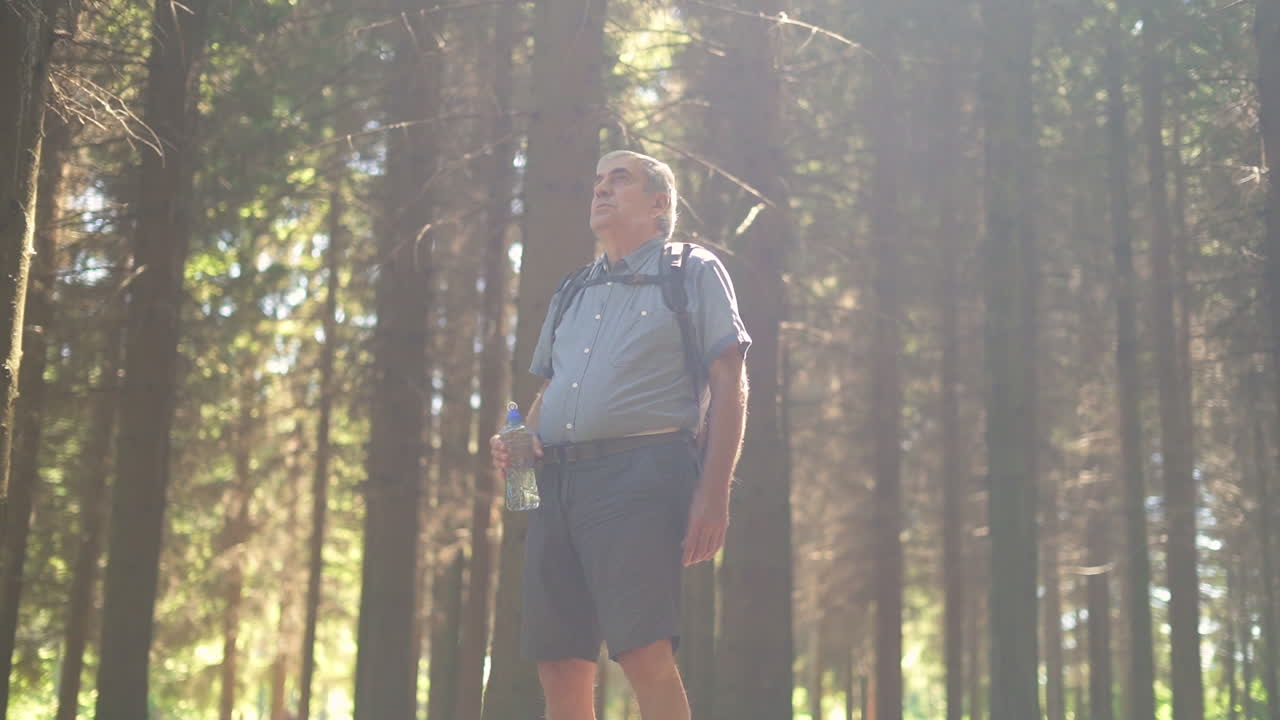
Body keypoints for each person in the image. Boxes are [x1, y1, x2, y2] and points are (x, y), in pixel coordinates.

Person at [490, 150, 750, 720]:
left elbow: (730, 380)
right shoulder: (572, 289)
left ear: (660, 205)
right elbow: (550, 388)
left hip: (642, 473)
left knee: (642, 650)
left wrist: (714, 493)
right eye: (598, 179)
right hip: (554, 482)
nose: (601, 190)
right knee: (558, 659)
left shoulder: (692, 269)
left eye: (620, 180)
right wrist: (518, 436)